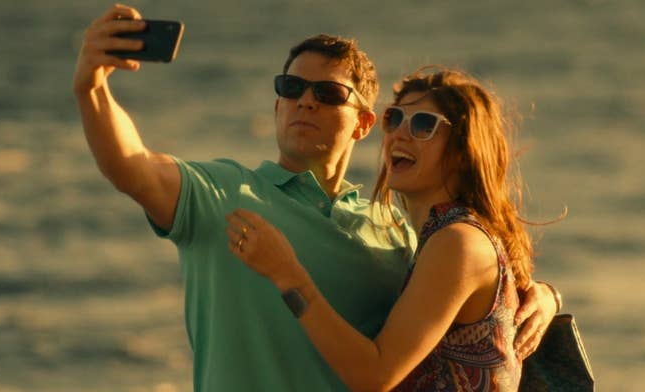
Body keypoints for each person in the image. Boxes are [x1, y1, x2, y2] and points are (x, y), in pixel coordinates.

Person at [72, 4, 560, 391]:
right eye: (292, 87)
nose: (306, 100)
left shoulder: (396, 226)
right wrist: (92, 88)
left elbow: (469, 285)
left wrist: (539, 294)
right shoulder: (221, 193)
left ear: (364, 124)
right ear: (278, 103)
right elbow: (131, 164)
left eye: (328, 93)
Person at [226, 67, 554, 391]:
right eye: (394, 118)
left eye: (423, 124)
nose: (399, 133)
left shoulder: (458, 241)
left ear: (463, 152)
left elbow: (376, 376)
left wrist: (286, 274)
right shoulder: (442, 238)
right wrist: (550, 295)